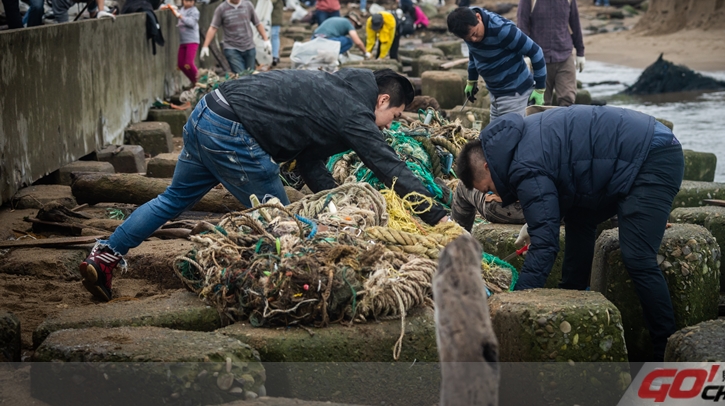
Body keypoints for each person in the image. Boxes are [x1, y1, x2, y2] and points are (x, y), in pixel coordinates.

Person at [79, 68, 451, 302]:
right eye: (394, 116)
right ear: (383, 99)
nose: (390, 125)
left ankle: (105, 255)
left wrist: (331, 204)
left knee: (172, 199)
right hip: (234, 131)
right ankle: (286, 294)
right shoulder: (353, 111)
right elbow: (386, 164)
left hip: (207, 113)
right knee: (283, 221)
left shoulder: (335, 91)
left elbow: (308, 160)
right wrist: (436, 216)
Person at [456, 106, 684, 361]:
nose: (491, 193)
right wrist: (537, 223)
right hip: (631, 155)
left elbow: (546, 244)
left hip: (653, 157)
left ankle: (665, 350)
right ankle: (572, 294)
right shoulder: (512, 143)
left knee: (638, 256)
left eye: (488, 187)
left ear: (487, 167)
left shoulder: (522, 165)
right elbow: (562, 185)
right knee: (580, 218)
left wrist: (514, 304)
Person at [447, 6, 547, 118]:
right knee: (494, 134)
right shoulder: (466, 25)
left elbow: (536, 51)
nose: (473, 40)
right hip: (495, 95)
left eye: (474, 34)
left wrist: (540, 88)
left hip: (516, 95)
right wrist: (472, 79)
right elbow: (474, 53)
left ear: (478, 17)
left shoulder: (503, 30)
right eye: (468, 39)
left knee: (514, 134)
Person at [516, 0, 586, 107]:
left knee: (567, 100)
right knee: (540, 105)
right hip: (538, 60)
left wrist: (580, 53)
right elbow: (522, 28)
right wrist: (525, 55)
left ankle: (565, 130)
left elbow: (575, 24)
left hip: (564, 57)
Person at [200, 0, 269, 73]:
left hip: (249, 46)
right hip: (232, 48)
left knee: (250, 76)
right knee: (241, 76)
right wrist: (205, 46)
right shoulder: (221, 9)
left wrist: (266, 39)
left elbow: (257, 23)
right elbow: (213, 27)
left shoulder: (247, 5)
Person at [257, 0, 288, 66]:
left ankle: (275, 56)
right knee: (265, 33)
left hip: (275, 9)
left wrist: (269, 3)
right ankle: (265, 55)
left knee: (275, 33)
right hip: (263, 9)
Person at [174, 0, 200, 85]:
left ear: (194, 1)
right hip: (183, 41)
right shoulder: (182, 10)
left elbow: (192, 23)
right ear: (182, 0)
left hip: (192, 40)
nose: (188, 3)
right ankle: (194, 82)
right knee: (181, 64)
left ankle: (200, 80)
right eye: (186, 1)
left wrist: (181, 17)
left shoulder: (194, 11)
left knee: (189, 63)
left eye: (191, 1)